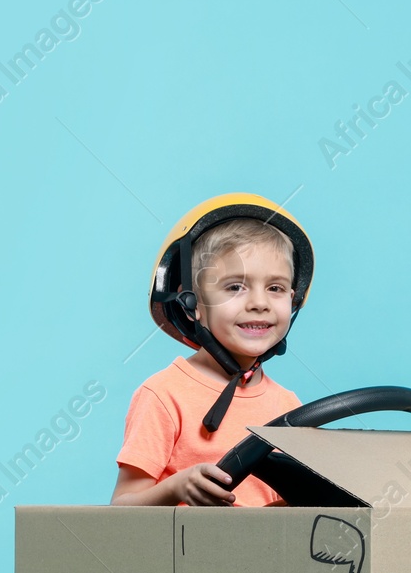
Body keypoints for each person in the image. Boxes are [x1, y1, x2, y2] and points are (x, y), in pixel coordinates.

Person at [111, 194, 312, 506]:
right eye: (235, 287)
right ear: (193, 304)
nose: (259, 303)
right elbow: (120, 508)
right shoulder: (164, 395)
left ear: (293, 299)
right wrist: (175, 488)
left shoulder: (290, 406)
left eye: (275, 288)